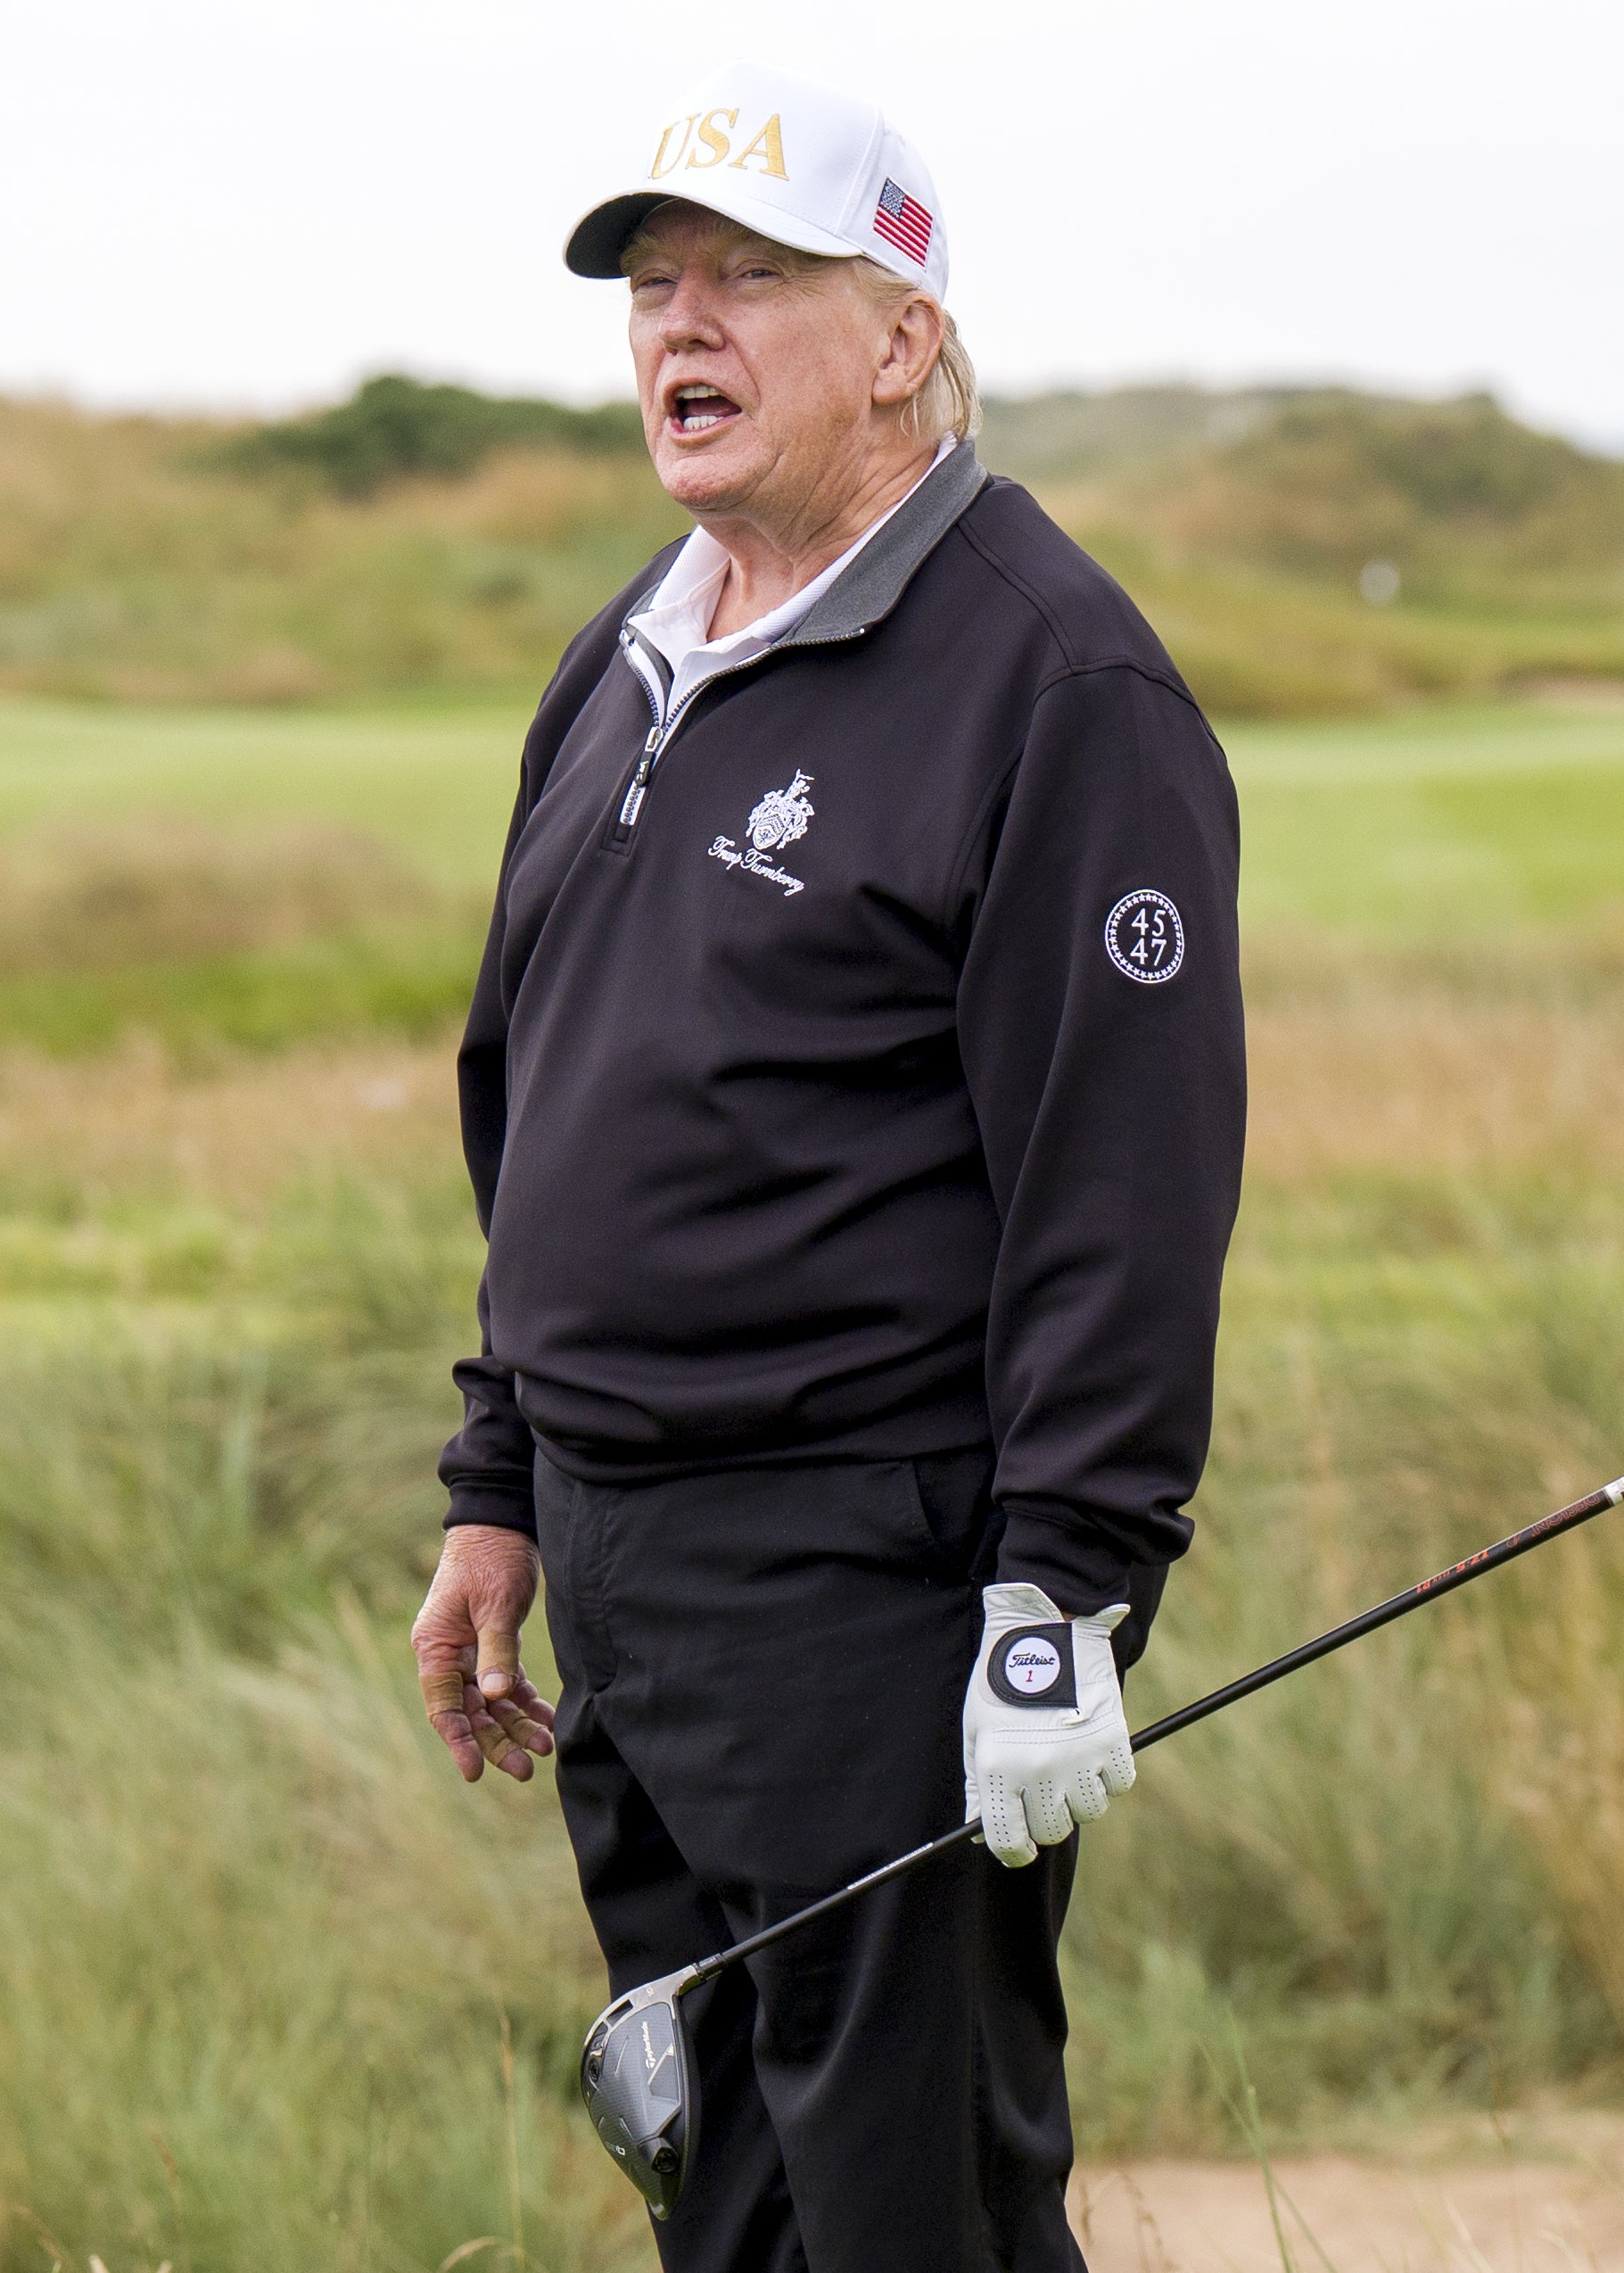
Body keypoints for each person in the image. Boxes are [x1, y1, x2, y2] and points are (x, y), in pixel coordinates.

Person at [409, 58, 1246, 2273]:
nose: (683, 329)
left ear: (901, 336)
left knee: (915, 2211)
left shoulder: (1055, 684)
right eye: (654, 287)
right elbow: (537, 1090)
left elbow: (1123, 1187)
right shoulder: (628, 648)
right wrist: (500, 1480)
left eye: (750, 282)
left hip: (867, 1586)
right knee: (731, 2193)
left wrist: (1065, 1589)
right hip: (622, 1564)